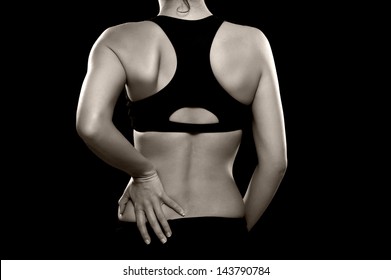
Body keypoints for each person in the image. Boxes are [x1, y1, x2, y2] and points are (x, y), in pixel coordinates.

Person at [76, 0, 287, 259]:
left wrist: (144, 174)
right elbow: (276, 163)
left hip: (148, 224)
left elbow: (91, 125)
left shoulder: (119, 39)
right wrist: (236, 232)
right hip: (223, 223)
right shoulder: (254, 42)